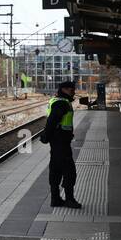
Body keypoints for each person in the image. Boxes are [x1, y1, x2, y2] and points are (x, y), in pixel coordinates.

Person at [40, 80, 81, 208]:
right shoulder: (61, 104)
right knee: (69, 171)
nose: (73, 91)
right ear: (64, 90)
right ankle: (69, 199)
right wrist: (46, 136)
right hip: (60, 142)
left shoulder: (59, 101)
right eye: (71, 89)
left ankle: (55, 199)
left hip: (58, 141)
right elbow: (52, 121)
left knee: (55, 170)